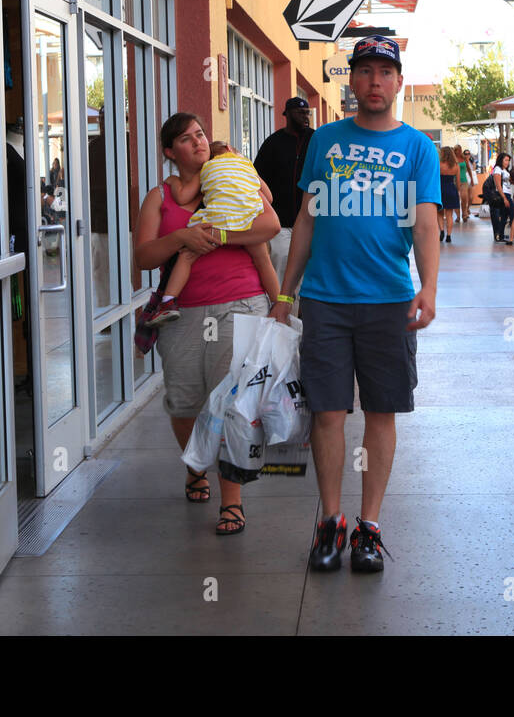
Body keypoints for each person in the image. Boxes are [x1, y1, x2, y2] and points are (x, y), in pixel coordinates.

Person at [271, 35, 439, 574]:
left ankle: (369, 526)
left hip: (389, 300)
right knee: (328, 413)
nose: (373, 81)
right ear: (352, 81)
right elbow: (306, 220)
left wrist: (428, 287)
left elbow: (427, 222)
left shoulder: (418, 148)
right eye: (363, 71)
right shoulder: (325, 142)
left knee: (382, 411)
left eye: (383, 73)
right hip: (324, 299)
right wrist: (284, 291)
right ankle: (330, 520)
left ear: (397, 82)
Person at [132, 113, 280, 535]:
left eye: (200, 134)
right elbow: (142, 258)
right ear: (169, 152)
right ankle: (195, 465)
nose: (198, 142)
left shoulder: (231, 177)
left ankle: (231, 499)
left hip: (240, 304)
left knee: (233, 406)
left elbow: (268, 226)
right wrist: (182, 238)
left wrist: (279, 304)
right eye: (185, 138)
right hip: (181, 313)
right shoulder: (159, 197)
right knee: (184, 403)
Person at [147, 139, 279, 325]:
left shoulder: (206, 168)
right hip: (247, 219)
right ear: (229, 148)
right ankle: (277, 303)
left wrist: (173, 181)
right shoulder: (246, 165)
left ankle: (168, 301)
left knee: (186, 257)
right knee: (263, 260)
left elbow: (183, 196)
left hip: (217, 219)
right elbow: (269, 197)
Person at [253, 96, 314, 284]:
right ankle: (281, 308)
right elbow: (257, 179)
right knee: (280, 264)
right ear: (286, 114)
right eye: (300, 113)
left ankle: (302, 312)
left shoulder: (316, 140)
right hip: (280, 223)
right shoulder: (273, 143)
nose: (305, 116)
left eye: (307, 113)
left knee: (309, 271)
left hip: (312, 221)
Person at [489, 152, 513, 243]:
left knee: (504, 216)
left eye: (508, 160)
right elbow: (498, 185)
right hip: (502, 195)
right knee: (511, 214)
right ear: (500, 160)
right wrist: (504, 198)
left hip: (507, 194)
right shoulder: (498, 169)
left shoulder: (505, 170)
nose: (507, 162)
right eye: (506, 160)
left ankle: (501, 235)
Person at [438, 145, 460, 243]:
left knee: (439, 213)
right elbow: (458, 182)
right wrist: (457, 191)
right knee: (450, 215)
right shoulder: (456, 166)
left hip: (440, 189)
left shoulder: (439, 165)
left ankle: (442, 230)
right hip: (451, 188)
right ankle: (449, 235)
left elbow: (434, 179)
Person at [457, 146, 475, 222]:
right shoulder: (453, 159)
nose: (457, 151)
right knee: (456, 199)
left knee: (464, 198)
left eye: (458, 150)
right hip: (455, 180)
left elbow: (469, 169)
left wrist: (472, 179)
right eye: (455, 150)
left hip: (464, 180)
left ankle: (464, 213)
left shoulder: (464, 159)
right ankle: (458, 216)